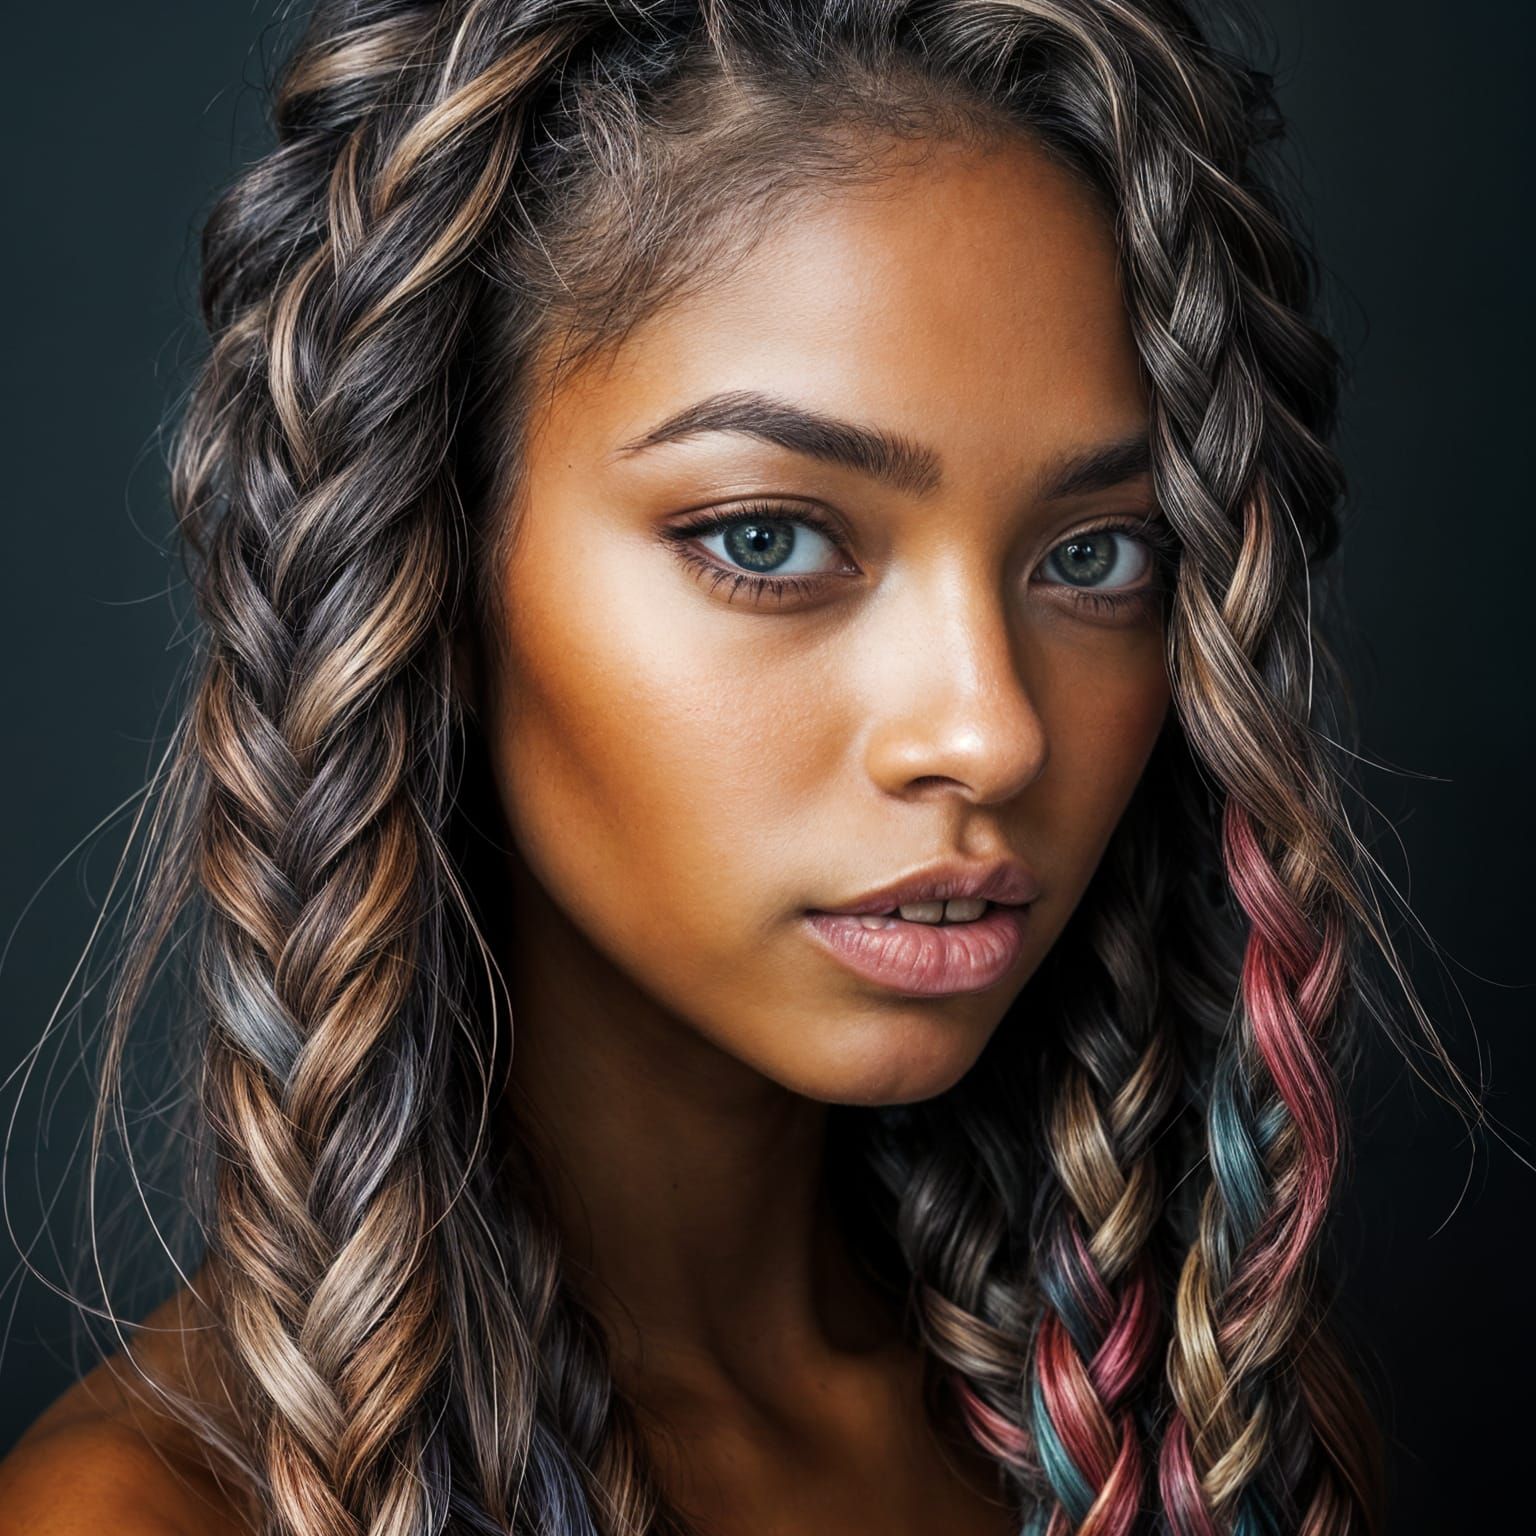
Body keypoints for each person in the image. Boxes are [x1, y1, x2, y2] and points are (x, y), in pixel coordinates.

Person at [0, 1, 1427, 1531]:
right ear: (423, 573)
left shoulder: (1206, 1441)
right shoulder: (145, 1514)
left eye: (1098, 554)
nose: (991, 730)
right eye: (768, 539)